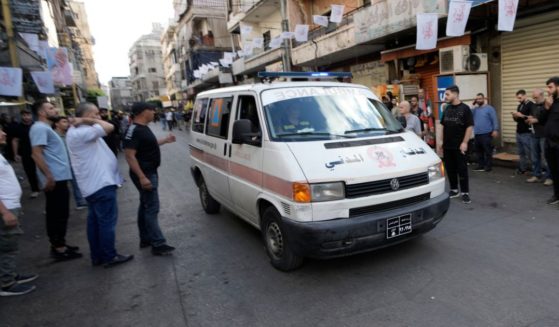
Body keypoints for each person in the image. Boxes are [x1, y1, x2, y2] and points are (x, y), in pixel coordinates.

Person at [66, 103, 133, 267]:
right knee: (106, 224)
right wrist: (85, 120)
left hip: (93, 185)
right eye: (95, 114)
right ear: (87, 115)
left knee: (95, 223)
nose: (99, 117)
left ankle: (98, 256)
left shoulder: (77, 131)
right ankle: (109, 256)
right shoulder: (82, 131)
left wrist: (86, 120)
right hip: (100, 185)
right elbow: (110, 126)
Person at [30, 101, 82, 261]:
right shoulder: (39, 128)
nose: (55, 110)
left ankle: (61, 244)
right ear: (41, 113)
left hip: (59, 177)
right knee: (56, 214)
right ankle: (58, 248)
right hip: (55, 179)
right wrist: (49, 176)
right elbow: (36, 154)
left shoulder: (46, 128)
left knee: (62, 212)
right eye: (51, 108)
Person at [124, 102, 176, 256]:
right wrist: (142, 177)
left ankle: (145, 238)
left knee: (145, 205)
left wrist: (165, 140)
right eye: (152, 110)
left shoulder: (139, 128)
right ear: (143, 112)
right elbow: (129, 155)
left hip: (148, 171)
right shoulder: (135, 130)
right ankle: (158, 243)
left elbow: (148, 145)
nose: (154, 113)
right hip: (145, 173)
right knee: (152, 208)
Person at [0, 127, 38, 296]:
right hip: (6, 208)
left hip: (10, 205)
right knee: (8, 246)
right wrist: (4, 212)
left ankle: (10, 274)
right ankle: (6, 283)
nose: (4, 133)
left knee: (9, 243)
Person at [440, 85, 474, 204]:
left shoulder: (465, 109)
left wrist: (465, 142)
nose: (446, 96)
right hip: (448, 145)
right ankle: (454, 190)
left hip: (460, 145)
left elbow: (469, 127)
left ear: (455, 94)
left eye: (448, 94)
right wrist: (441, 143)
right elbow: (443, 126)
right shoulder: (447, 109)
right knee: (450, 169)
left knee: (462, 169)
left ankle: (465, 192)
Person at [52, 116, 87, 210]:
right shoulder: (53, 136)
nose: (66, 124)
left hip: (71, 162)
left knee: (76, 182)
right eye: (64, 122)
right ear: (56, 124)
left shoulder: (68, 134)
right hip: (59, 165)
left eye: (67, 122)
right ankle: (54, 206)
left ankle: (80, 202)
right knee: (59, 187)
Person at [11, 109, 40, 198]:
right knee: (30, 171)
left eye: (28, 115)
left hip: (39, 151)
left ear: (31, 115)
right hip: (26, 152)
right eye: (24, 115)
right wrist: (16, 154)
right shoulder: (18, 127)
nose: (27, 117)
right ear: (21, 116)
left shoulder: (37, 125)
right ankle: (35, 189)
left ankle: (45, 184)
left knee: (41, 169)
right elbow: (15, 140)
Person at [526, 89, 553, 185]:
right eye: (533, 97)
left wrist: (536, 120)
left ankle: (550, 177)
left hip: (545, 135)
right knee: (535, 157)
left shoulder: (548, 104)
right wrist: (530, 118)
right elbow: (534, 116)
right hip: (534, 134)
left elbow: (551, 119)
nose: (534, 99)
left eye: (536, 97)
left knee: (547, 158)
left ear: (542, 95)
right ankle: (536, 175)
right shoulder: (533, 105)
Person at [540, 77, 559, 205]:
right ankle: (556, 195)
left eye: (550, 87)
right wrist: (546, 107)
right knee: (554, 171)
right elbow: (541, 121)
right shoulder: (551, 102)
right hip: (549, 143)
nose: (548, 90)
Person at [472, 93, 499, 172]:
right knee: (478, 151)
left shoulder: (489, 108)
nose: (478, 100)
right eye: (477, 99)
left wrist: (495, 129)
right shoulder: (475, 109)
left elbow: (494, 119)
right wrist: (473, 105)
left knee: (487, 151)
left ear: (484, 99)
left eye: (480, 98)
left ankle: (488, 166)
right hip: (477, 133)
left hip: (486, 133)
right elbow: (469, 115)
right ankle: (481, 165)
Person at [512, 90, 536, 175]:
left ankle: (535, 171)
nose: (518, 99)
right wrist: (515, 116)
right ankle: (523, 169)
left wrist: (521, 115)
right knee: (521, 152)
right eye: (517, 98)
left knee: (530, 152)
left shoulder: (531, 104)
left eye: (520, 97)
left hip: (527, 132)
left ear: (525, 96)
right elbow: (517, 120)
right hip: (519, 131)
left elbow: (533, 117)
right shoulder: (520, 105)